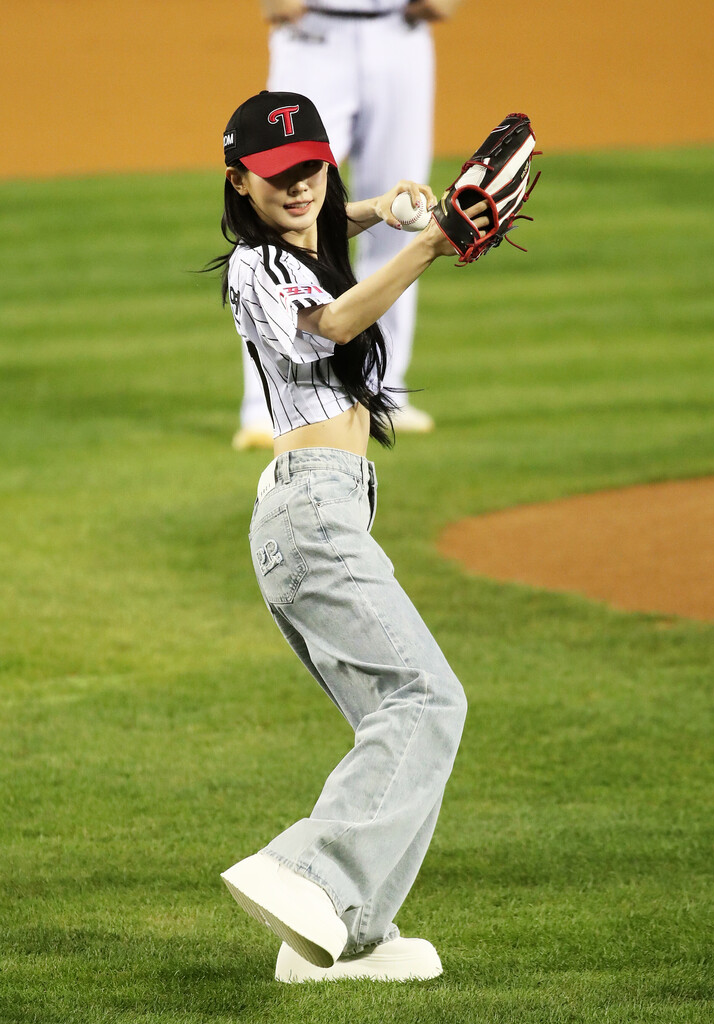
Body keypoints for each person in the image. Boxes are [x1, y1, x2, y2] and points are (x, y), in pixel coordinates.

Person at [212, 90, 484, 982]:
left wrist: (387, 207)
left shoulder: (302, 239)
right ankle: (308, 872)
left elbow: (327, 237)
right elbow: (333, 320)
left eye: (313, 171)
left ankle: (341, 939)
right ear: (239, 181)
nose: (300, 188)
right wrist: (428, 243)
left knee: (398, 723)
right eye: (279, 176)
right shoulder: (254, 267)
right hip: (312, 514)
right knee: (427, 700)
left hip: (328, 513)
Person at [231, 0, 463, 451]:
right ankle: (267, 405)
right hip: (313, 35)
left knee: (402, 212)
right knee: (277, 211)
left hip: (403, 34)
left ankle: (382, 386)